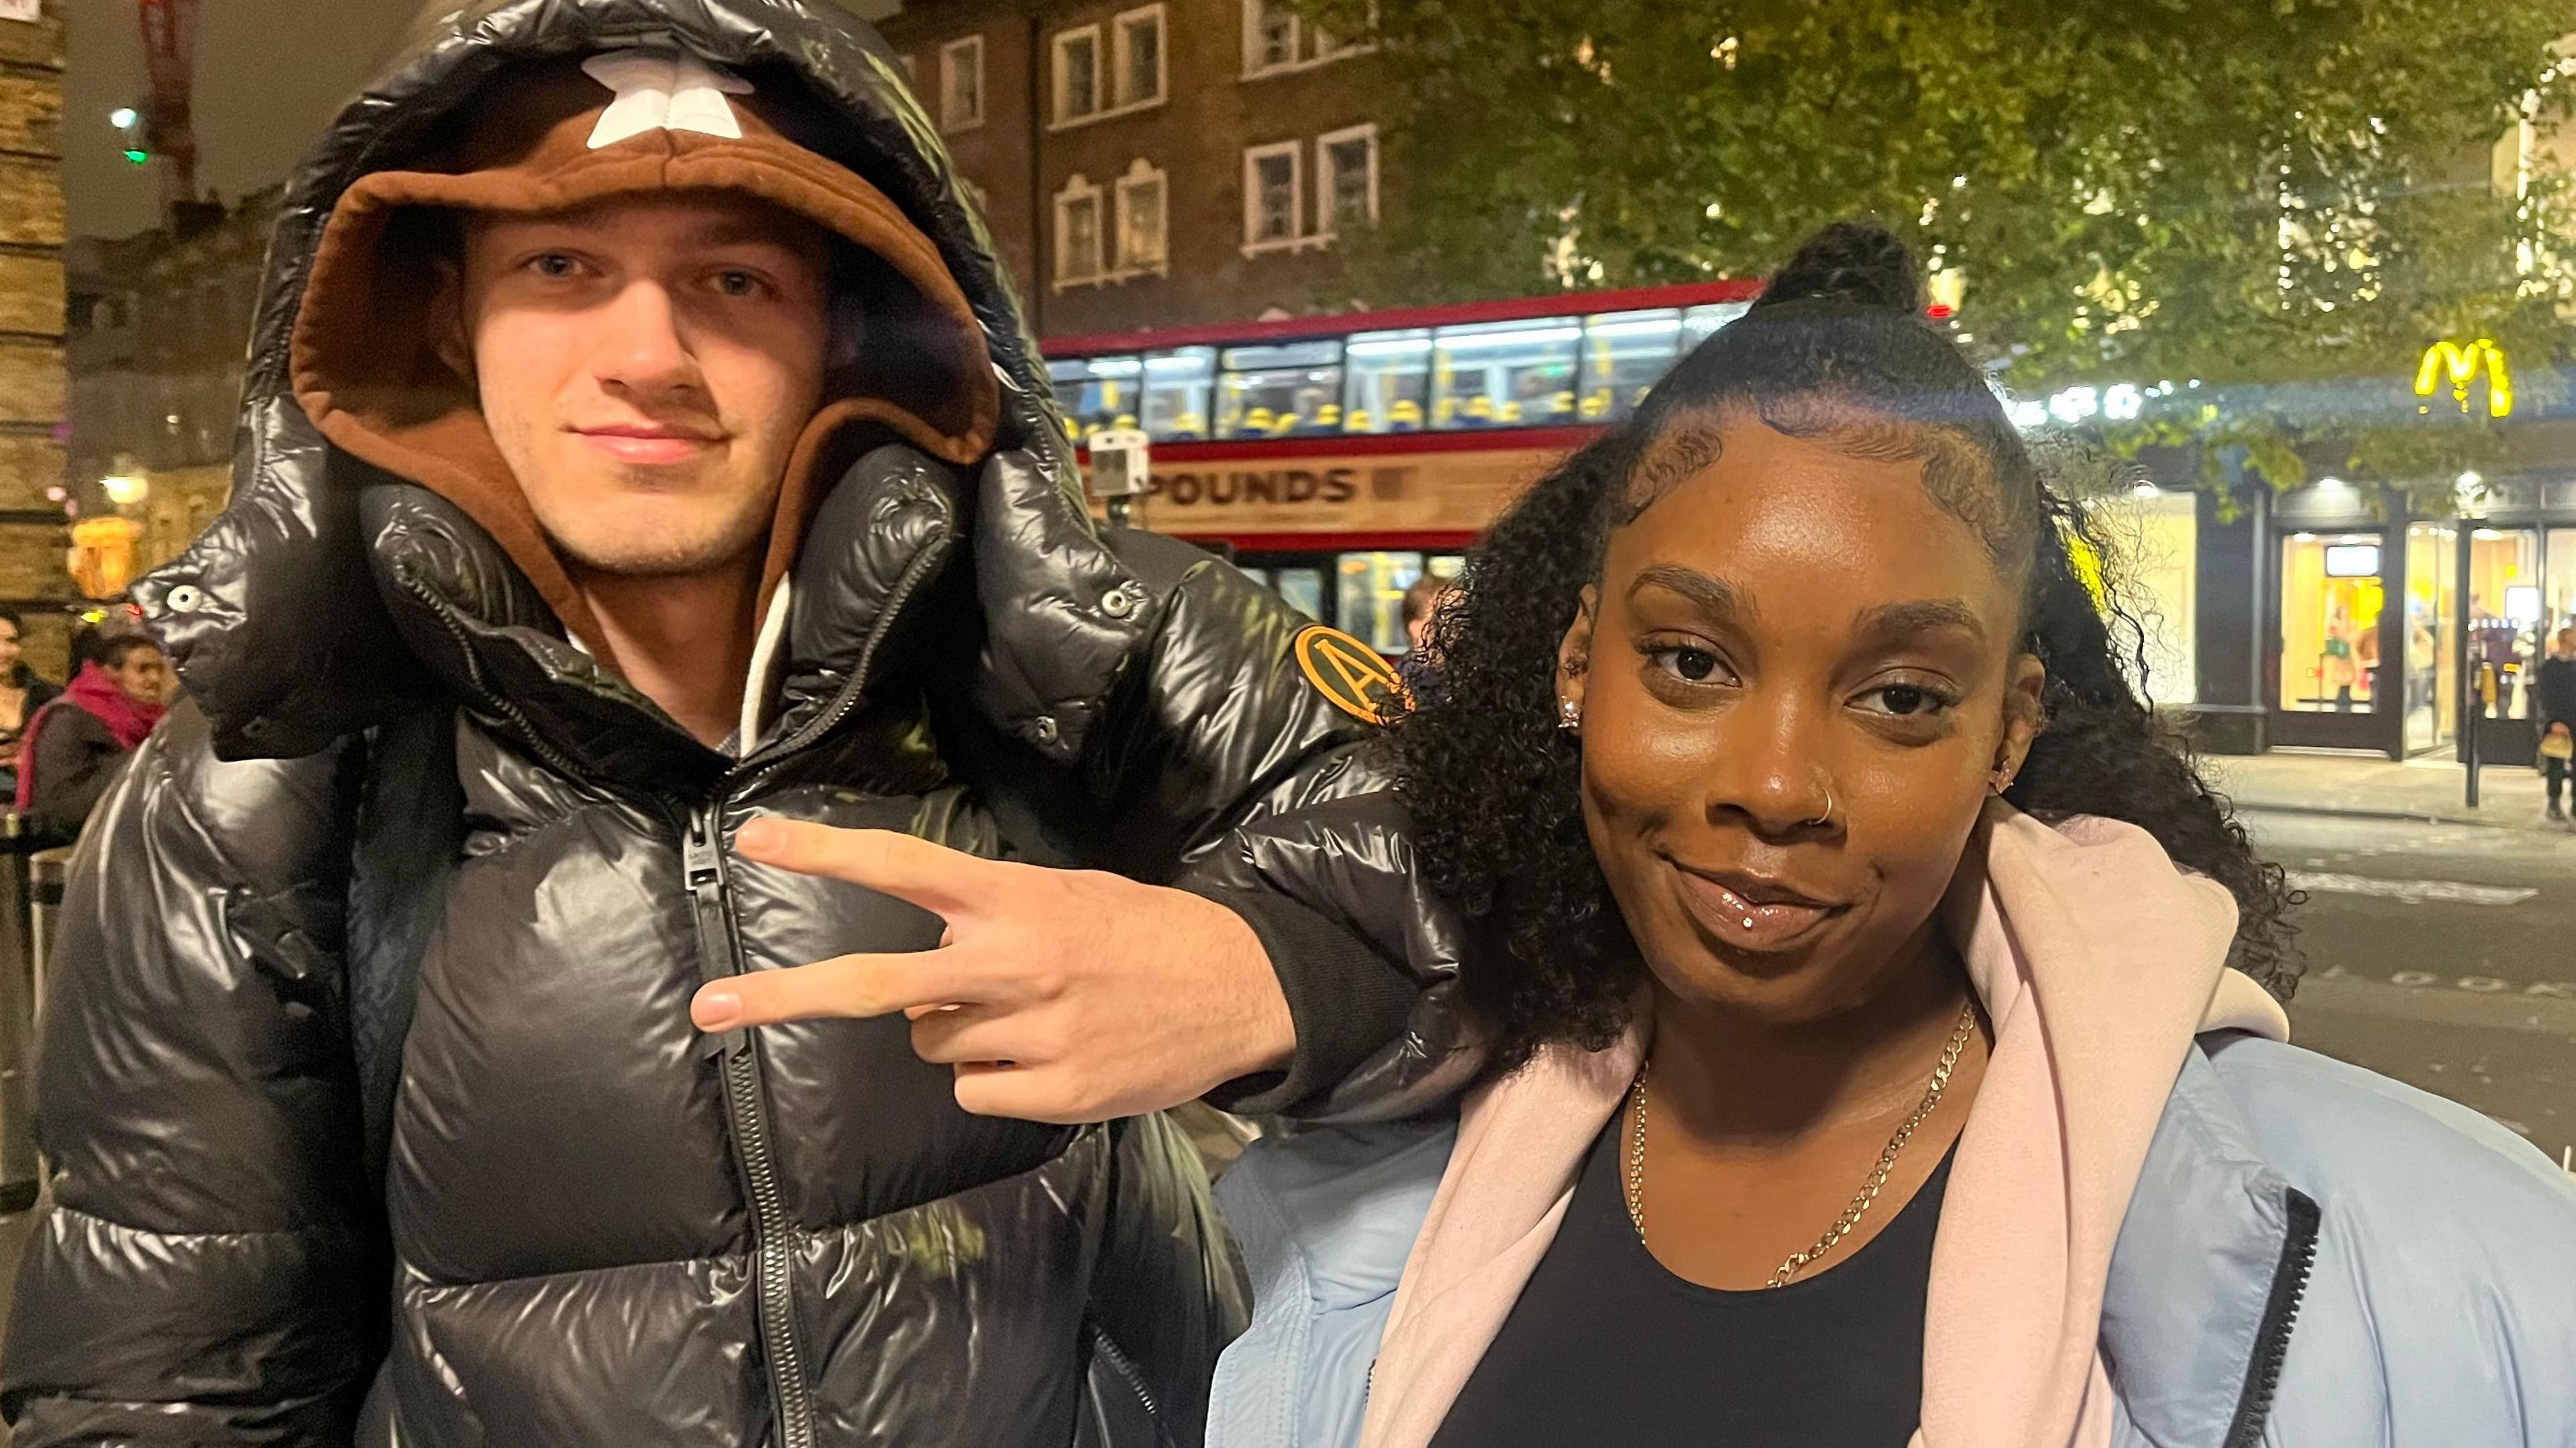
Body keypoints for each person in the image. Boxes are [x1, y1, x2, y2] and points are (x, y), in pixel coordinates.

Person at [1, 4, 1460, 1443]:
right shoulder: (255, 785)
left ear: (838, 320)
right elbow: (161, 1382)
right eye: (563, 265)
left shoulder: (1066, 631)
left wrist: (1266, 966)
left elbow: (1495, 851)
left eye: (736, 279)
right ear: (450, 312)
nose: (649, 352)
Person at [1206, 223, 2576, 1448]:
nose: (1779, 783)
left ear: (2009, 730)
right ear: (1578, 665)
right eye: (1690, 662)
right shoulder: (1349, 1194)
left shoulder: (2454, 1265)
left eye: (1902, 695)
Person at [13, 634, 168, 844]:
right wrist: (141, 757)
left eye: (159, 669)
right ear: (110, 672)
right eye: (143, 669)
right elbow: (60, 812)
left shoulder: (154, 720)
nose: (155, 679)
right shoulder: (69, 720)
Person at [0, 609, 61, 803]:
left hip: (39, 815)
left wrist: (32, 760)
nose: (3, 651)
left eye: (11, 641)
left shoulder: (49, 696)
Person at [2536, 624, 2576, 824]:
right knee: (2556, 766)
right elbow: (2546, 696)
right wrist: (2554, 721)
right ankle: (2554, 803)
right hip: (2558, 722)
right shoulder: (2549, 668)